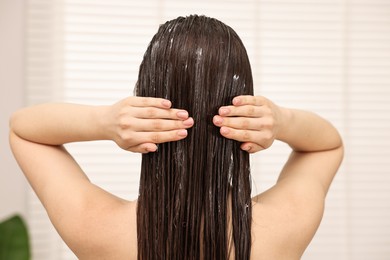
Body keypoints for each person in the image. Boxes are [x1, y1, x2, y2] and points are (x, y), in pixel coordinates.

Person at [9, 15, 343, 260]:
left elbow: (23, 129)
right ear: (245, 103)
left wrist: (104, 121)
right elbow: (328, 145)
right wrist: (282, 120)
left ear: (144, 98)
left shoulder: (97, 228)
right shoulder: (285, 225)